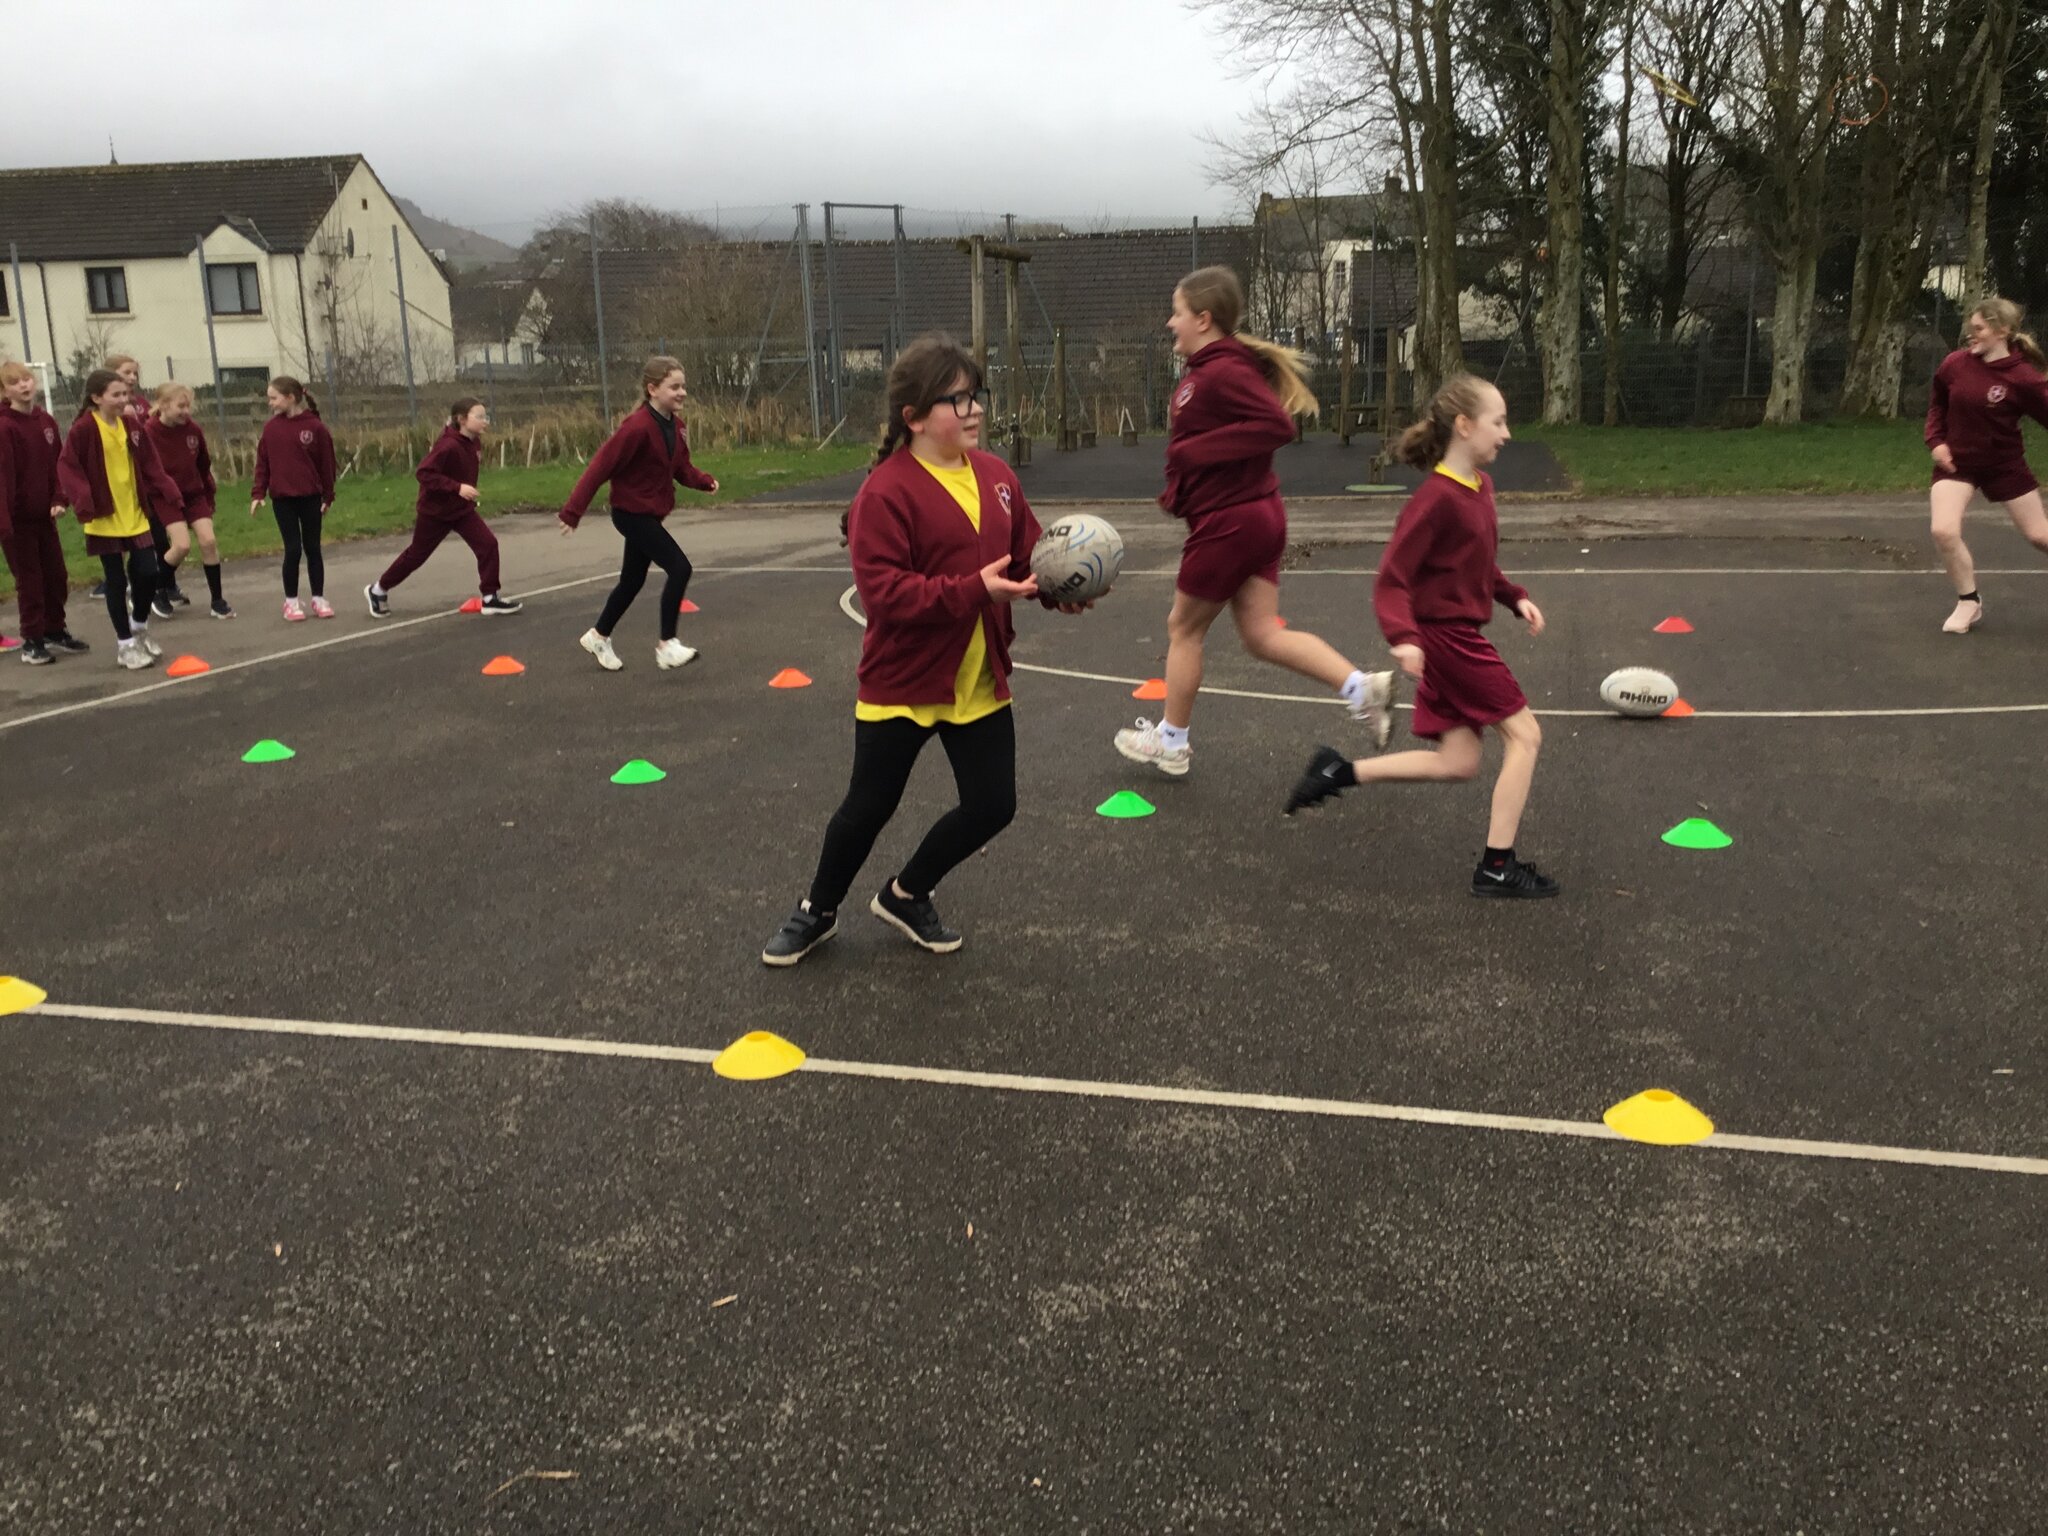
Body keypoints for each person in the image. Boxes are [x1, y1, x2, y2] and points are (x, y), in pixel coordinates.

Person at [761, 336, 1095, 966]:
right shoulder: (885, 495)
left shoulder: (996, 477)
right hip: (904, 682)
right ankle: (817, 910)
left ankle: (907, 892)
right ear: (913, 417)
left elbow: (1026, 558)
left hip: (977, 680)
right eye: (956, 399)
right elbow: (886, 596)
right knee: (868, 808)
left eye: (977, 395)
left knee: (994, 806)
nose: (973, 410)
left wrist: (1058, 591)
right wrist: (975, 589)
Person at [1283, 374, 1557, 900]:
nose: (1506, 432)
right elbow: (1392, 579)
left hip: (1452, 637)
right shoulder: (1434, 500)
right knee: (1526, 736)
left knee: (1459, 762)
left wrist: (1512, 596)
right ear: (1464, 425)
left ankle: (1338, 772)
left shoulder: (1480, 487)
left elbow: (1475, 565)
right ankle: (1497, 868)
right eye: (1497, 421)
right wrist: (1405, 636)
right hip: (1448, 640)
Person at [1112, 266, 1392, 778]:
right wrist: (1182, 487)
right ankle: (1360, 688)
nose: (1169, 323)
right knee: (1261, 633)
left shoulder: (1220, 371)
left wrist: (1192, 453)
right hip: (1255, 515)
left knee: (1183, 628)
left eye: (1176, 313)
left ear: (1203, 318)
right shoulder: (1215, 369)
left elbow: (1274, 424)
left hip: (1233, 521)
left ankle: (1171, 742)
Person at [558, 355, 718, 671]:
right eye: (674, 387)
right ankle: (667, 645)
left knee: (632, 581)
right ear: (652, 389)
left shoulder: (677, 426)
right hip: (631, 513)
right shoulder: (636, 428)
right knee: (680, 568)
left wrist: (702, 481)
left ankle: (598, 635)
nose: (682, 392)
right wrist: (573, 511)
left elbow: (680, 467)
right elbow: (599, 468)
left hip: (650, 513)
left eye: (683, 386)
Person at [1924, 297, 2048, 634]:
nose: (1971, 335)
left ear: (2002, 330)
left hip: (2004, 465)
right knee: (1943, 530)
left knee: (2040, 536)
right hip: (1958, 464)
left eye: (1978, 328)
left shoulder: (2023, 378)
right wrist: (1936, 442)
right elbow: (1937, 404)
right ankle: (1969, 602)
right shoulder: (1954, 364)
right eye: (1971, 328)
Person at [58, 369, 184, 669]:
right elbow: (67, 466)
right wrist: (83, 497)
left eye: (126, 394)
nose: (123, 399)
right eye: (116, 395)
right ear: (97, 397)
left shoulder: (131, 425)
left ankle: (139, 627)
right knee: (116, 580)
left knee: (148, 572)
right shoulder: (84, 429)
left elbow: (149, 462)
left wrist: (168, 489)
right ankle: (125, 645)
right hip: (104, 517)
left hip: (134, 512)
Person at [366, 398, 520, 617]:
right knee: (416, 555)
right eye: (479, 416)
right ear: (462, 420)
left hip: (461, 510)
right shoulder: (447, 445)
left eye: (486, 416)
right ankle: (377, 590)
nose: (485, 421)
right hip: (435, 512)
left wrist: (462, 493)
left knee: (487, 544)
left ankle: (490, 598)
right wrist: (457, 488)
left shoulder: (474, 442)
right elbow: (424, 473)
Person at [1, 362, 86, 662]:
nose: (24, 386)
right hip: (17, 521)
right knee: (30, 579)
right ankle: (32, 639)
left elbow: (57, 465)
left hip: (44, 517)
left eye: (26, 380)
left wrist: (59, 497)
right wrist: (5, 522)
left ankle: (54, 628)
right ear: (5, 391)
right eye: (15, 383)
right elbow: (4, 478)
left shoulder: (46, 422)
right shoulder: (5, 427)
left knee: (56, 574)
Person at [251, 376, 337, 621]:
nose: (270, 403)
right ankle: (290, 601)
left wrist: (328, 496)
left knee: (313, 548)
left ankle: (318, 598)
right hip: (283, 499)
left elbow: (326, 464)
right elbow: (263, 464)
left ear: (290, 398)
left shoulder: (315, 427)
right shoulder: (271, 429)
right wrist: (258, 493)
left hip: (310, 497)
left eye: (274, 398)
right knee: (293, 549)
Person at [144, 383, 233, 619]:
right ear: (163, 405)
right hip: (165, 497)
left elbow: (203, 465)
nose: (186, 411)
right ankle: (156, 589)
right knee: (181, 546)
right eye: (180, 406)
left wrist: (209, 491)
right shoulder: (149, 433)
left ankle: (217, 600)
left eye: (188, 406)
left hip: (194, 493)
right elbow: (147, 470)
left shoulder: (193, 430)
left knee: (208, 540)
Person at [107, 354, 188, 609]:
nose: (132, 378)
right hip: (126, 485)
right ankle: (136, 586)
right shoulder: (108, 410)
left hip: (149, 483)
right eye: (126, 373)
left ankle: (166, 585)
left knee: (161, 539)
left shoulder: (141, 405)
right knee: (143, 540)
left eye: (135, 373)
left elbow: (148, 442)